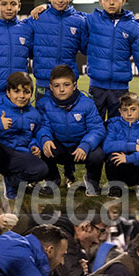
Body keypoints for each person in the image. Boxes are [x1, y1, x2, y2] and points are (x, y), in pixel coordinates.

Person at [0, 71, 48, 208]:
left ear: (31, 93)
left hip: (17, 156)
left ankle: (11, 181)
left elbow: (35, 133)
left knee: (41, 169)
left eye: (26, 92)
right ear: (8, 92)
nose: (21, 96)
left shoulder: (33, 113)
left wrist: (35, 145)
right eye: (16, 91)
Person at [85, 0, 139, 122]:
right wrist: (46, 6)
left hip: (120, 90)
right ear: (100, 1)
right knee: (94, 126)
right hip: (96, 87)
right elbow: (68, 15)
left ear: (123, 0)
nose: (111, 2)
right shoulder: (92, 21)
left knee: (118, 128)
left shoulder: (134, 28)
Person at [37, 64, 106, 196]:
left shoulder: (87, 103)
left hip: (80, 148)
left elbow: (97, 129)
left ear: (74, 85)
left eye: (66, 85)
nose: (61, 89)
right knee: (42, 146)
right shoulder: (44, 104)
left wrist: (85, 145)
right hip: (60, 147)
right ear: (51, 87)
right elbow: (42, 126)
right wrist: (45, 139)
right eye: (57, 86)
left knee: (98, 154)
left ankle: (92, 181)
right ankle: (52, 180)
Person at [101, 90, 139, 197]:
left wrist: (129, 158)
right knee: (112, 156)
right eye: (125, 110)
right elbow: (107, 146)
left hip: (138, 169)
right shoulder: (113, 125)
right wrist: (133, 147)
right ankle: (116, 185)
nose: (129, 114)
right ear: (120, 111)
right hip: (120, 168)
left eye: (133, 109)